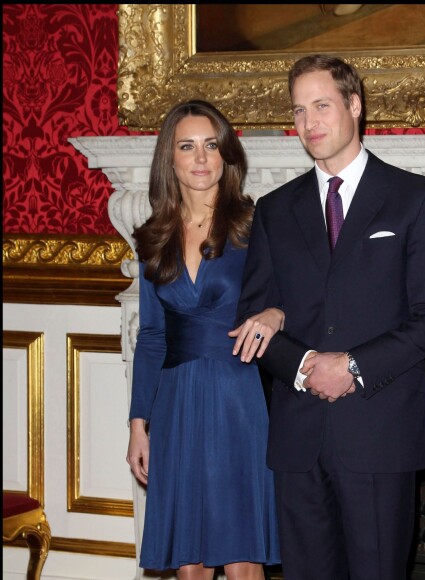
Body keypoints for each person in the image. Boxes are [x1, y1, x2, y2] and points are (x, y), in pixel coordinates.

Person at [229, 55, 425, 580]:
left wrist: (352, 366)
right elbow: (252, 317)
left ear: (354, 106)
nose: (309, 122)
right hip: (297, 438)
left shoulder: (415, 199)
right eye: (298, 110)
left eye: (322, 105)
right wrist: (306, 362)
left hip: (380, 434)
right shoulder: (274, 208)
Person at [126, 99, 281, 580]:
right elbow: (151, 335)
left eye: (211, 146)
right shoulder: (154, 237)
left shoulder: (257, 226)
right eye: (187, 146)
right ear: (169, 159)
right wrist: (137, 423)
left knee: (241, 559)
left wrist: (276, 314)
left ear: (226, 154)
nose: (200, 158)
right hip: (175, 403)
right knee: (188, 562)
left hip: (238, 397)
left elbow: (294, 300)